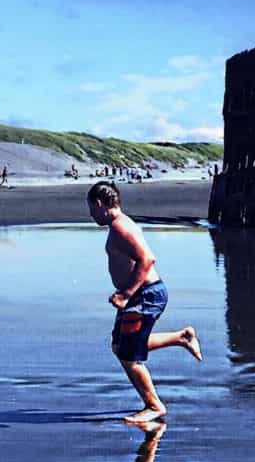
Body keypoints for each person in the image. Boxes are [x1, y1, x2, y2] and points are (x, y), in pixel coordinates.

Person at [86, 181, 202, 428]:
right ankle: (182, 337)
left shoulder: (120, 228)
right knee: (120, 345)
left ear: (99, 204)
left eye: (91, 209)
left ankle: (154, 406)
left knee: (129, 356)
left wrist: (127, 294)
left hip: (144, 295)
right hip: (141, 295)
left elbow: (147, 260)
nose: (91, 215)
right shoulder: (120, 225)